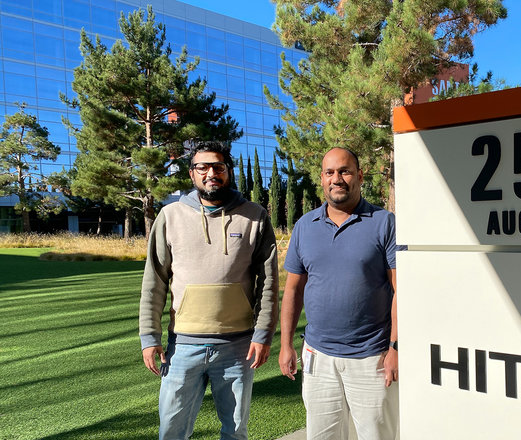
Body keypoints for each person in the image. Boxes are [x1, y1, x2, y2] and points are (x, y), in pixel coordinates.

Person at [139, 140, 279, 440]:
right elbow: (154, 282)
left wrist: (263, 333)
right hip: (182, 348)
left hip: (238, 348)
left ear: (228, 171)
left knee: (235, 432)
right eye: (202, 167)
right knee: (172, 432)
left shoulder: (255, 216)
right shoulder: (170, 216)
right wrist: (149, 338)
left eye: (218, 167)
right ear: (192, 174)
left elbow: (267, 282)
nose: (210, 173)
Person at [279, 147, 399, 440]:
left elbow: (401, 290)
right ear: (321, 179)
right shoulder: (305, 226)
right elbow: (293, 289)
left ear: (359, 175)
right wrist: (286, 345)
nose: (337, 179)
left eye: (344, 171)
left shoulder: (384, 222)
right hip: (318, 357)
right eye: (330, 172)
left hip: (372, 357)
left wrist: (396, 348)